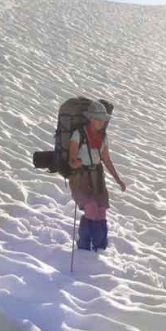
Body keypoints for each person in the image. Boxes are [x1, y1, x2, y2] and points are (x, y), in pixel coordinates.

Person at [69, 101, 126, 251]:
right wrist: (77, 163)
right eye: (99, 119)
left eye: (103, 120)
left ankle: (100, 246)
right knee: (91, 209)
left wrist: (118, 180)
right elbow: (72, 159)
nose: (101, 123)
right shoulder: (78, 135)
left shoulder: (103, 137)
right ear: (91, 119)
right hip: (80, 178)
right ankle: (84, 245)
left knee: (101, 211)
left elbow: (106, 159)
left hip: (97, 177)